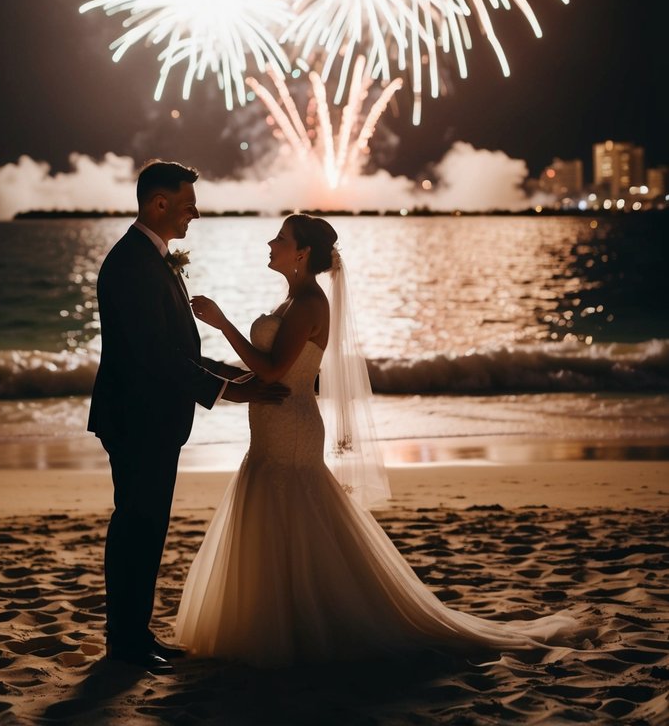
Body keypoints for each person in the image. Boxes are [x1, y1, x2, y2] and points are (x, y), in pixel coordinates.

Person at [175, 213, 587, 667]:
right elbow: (272, 369)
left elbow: (274, 373)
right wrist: (220, 379)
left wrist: (222, 322)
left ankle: (307, 627)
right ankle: (286, 621)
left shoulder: (310, 302)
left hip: (291, 426)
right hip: (273, 425)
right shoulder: (293, 300)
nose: (270, 243)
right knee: (278, 519)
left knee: (295, 515)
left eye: (281, 238)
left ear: (303, 252)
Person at [87, 160, 289, 673]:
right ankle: (126, 642)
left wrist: (239, 378)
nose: (194, 214)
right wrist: (229, 392)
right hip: (136, 420)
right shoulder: (132, 264)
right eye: (186, 204)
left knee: (148, 527)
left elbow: (181, 349)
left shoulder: (154, 259)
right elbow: (155, 356)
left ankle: (135, 634)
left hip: (155, 419)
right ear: (158, 204)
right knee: (136, 525)